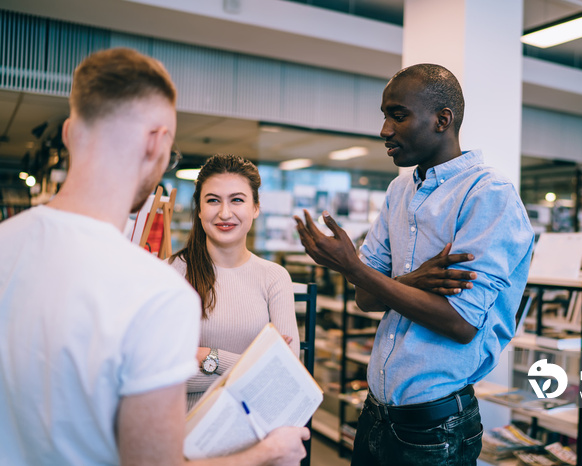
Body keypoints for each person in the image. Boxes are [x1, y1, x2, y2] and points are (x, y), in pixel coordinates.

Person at [0, 47, 308, 466]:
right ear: (158, 143)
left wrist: (209, 359)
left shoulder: (6, 243)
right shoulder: (156, 290)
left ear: (70, 133)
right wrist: (269, 452)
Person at [295, 63, 534, 466]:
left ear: (443, 120)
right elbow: (366, 299)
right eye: (385, 116)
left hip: (435, 428)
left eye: (398, 115)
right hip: (376, 416)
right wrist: (415, 279)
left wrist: (355, 267)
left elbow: (460, 324)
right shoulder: (400, 189)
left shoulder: (488, 194)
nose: (385, 130)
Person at [168, 154, 300, 410]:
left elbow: (287, 375)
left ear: (255, 207)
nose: (225, 213)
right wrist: (256, 365)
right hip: (182, 431)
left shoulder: (274, 277)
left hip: (254, 428)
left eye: (237, 200)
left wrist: (209, 357)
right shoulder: (170, 273)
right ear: (199, 209)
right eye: (213, 201)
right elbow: (161, 377)